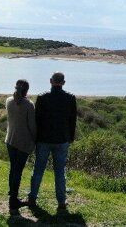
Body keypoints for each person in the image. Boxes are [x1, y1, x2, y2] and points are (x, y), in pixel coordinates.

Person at [28, 72, 77, 212]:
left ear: (50, 81)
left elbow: (37, 120)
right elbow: (72, 121)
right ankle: (61, 202)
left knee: (38, 169)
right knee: (60, 172)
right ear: (64, 83)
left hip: (43, 140)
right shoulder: (70, 98)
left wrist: (35, 138)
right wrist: (71, 137)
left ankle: (32, 198)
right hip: (62, 140)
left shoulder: (42, 98)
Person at [4, 79, 36, 215]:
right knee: (18, 171)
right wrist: (36, 140)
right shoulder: (29, 105)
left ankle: (12, 194)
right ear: (27, 91)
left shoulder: (8, 100)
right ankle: (13, 201)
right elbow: (32, 126)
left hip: (10, 140)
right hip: (23, 143)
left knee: (13, 168)